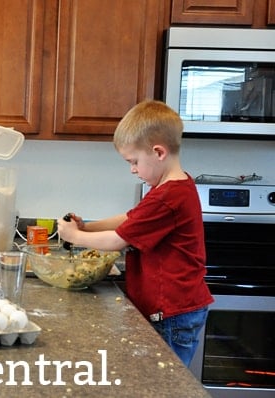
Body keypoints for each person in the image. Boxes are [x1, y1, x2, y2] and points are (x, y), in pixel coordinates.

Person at [57, 100, 213, 366]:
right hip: (174, 308)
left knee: (166, 386)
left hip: (172, 312)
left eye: (134, 161)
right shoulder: (169, 186)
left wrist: (74, 237)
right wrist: (88, 226)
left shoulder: (169, 195)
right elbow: (131, 219)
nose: (132, 169)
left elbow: (118, 240)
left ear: (158, 152)